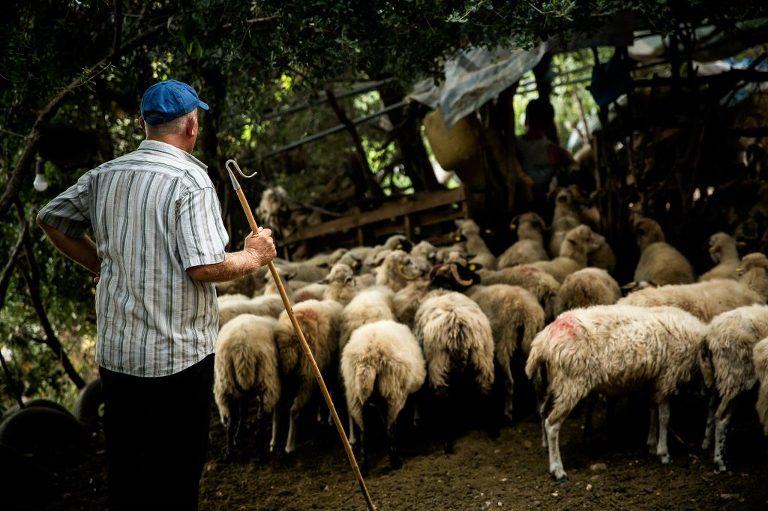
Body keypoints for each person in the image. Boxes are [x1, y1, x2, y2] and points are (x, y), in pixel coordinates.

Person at [37, 79, 276, 511]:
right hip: (177, 359)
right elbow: (205, 266)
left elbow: (51, 217)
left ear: (145, 124)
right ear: (190, 127)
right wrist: (252, 256)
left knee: (128, 474)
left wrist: (100, 264)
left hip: (120, 356)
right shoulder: (191, 180)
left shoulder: (105, 176)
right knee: (174, 478)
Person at [515, 97, 577, 215]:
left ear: (526, 119)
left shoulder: (512, 144)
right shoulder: (553, 150)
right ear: (549, 124)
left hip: (513, 207)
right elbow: (576, 167)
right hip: (541, 208)